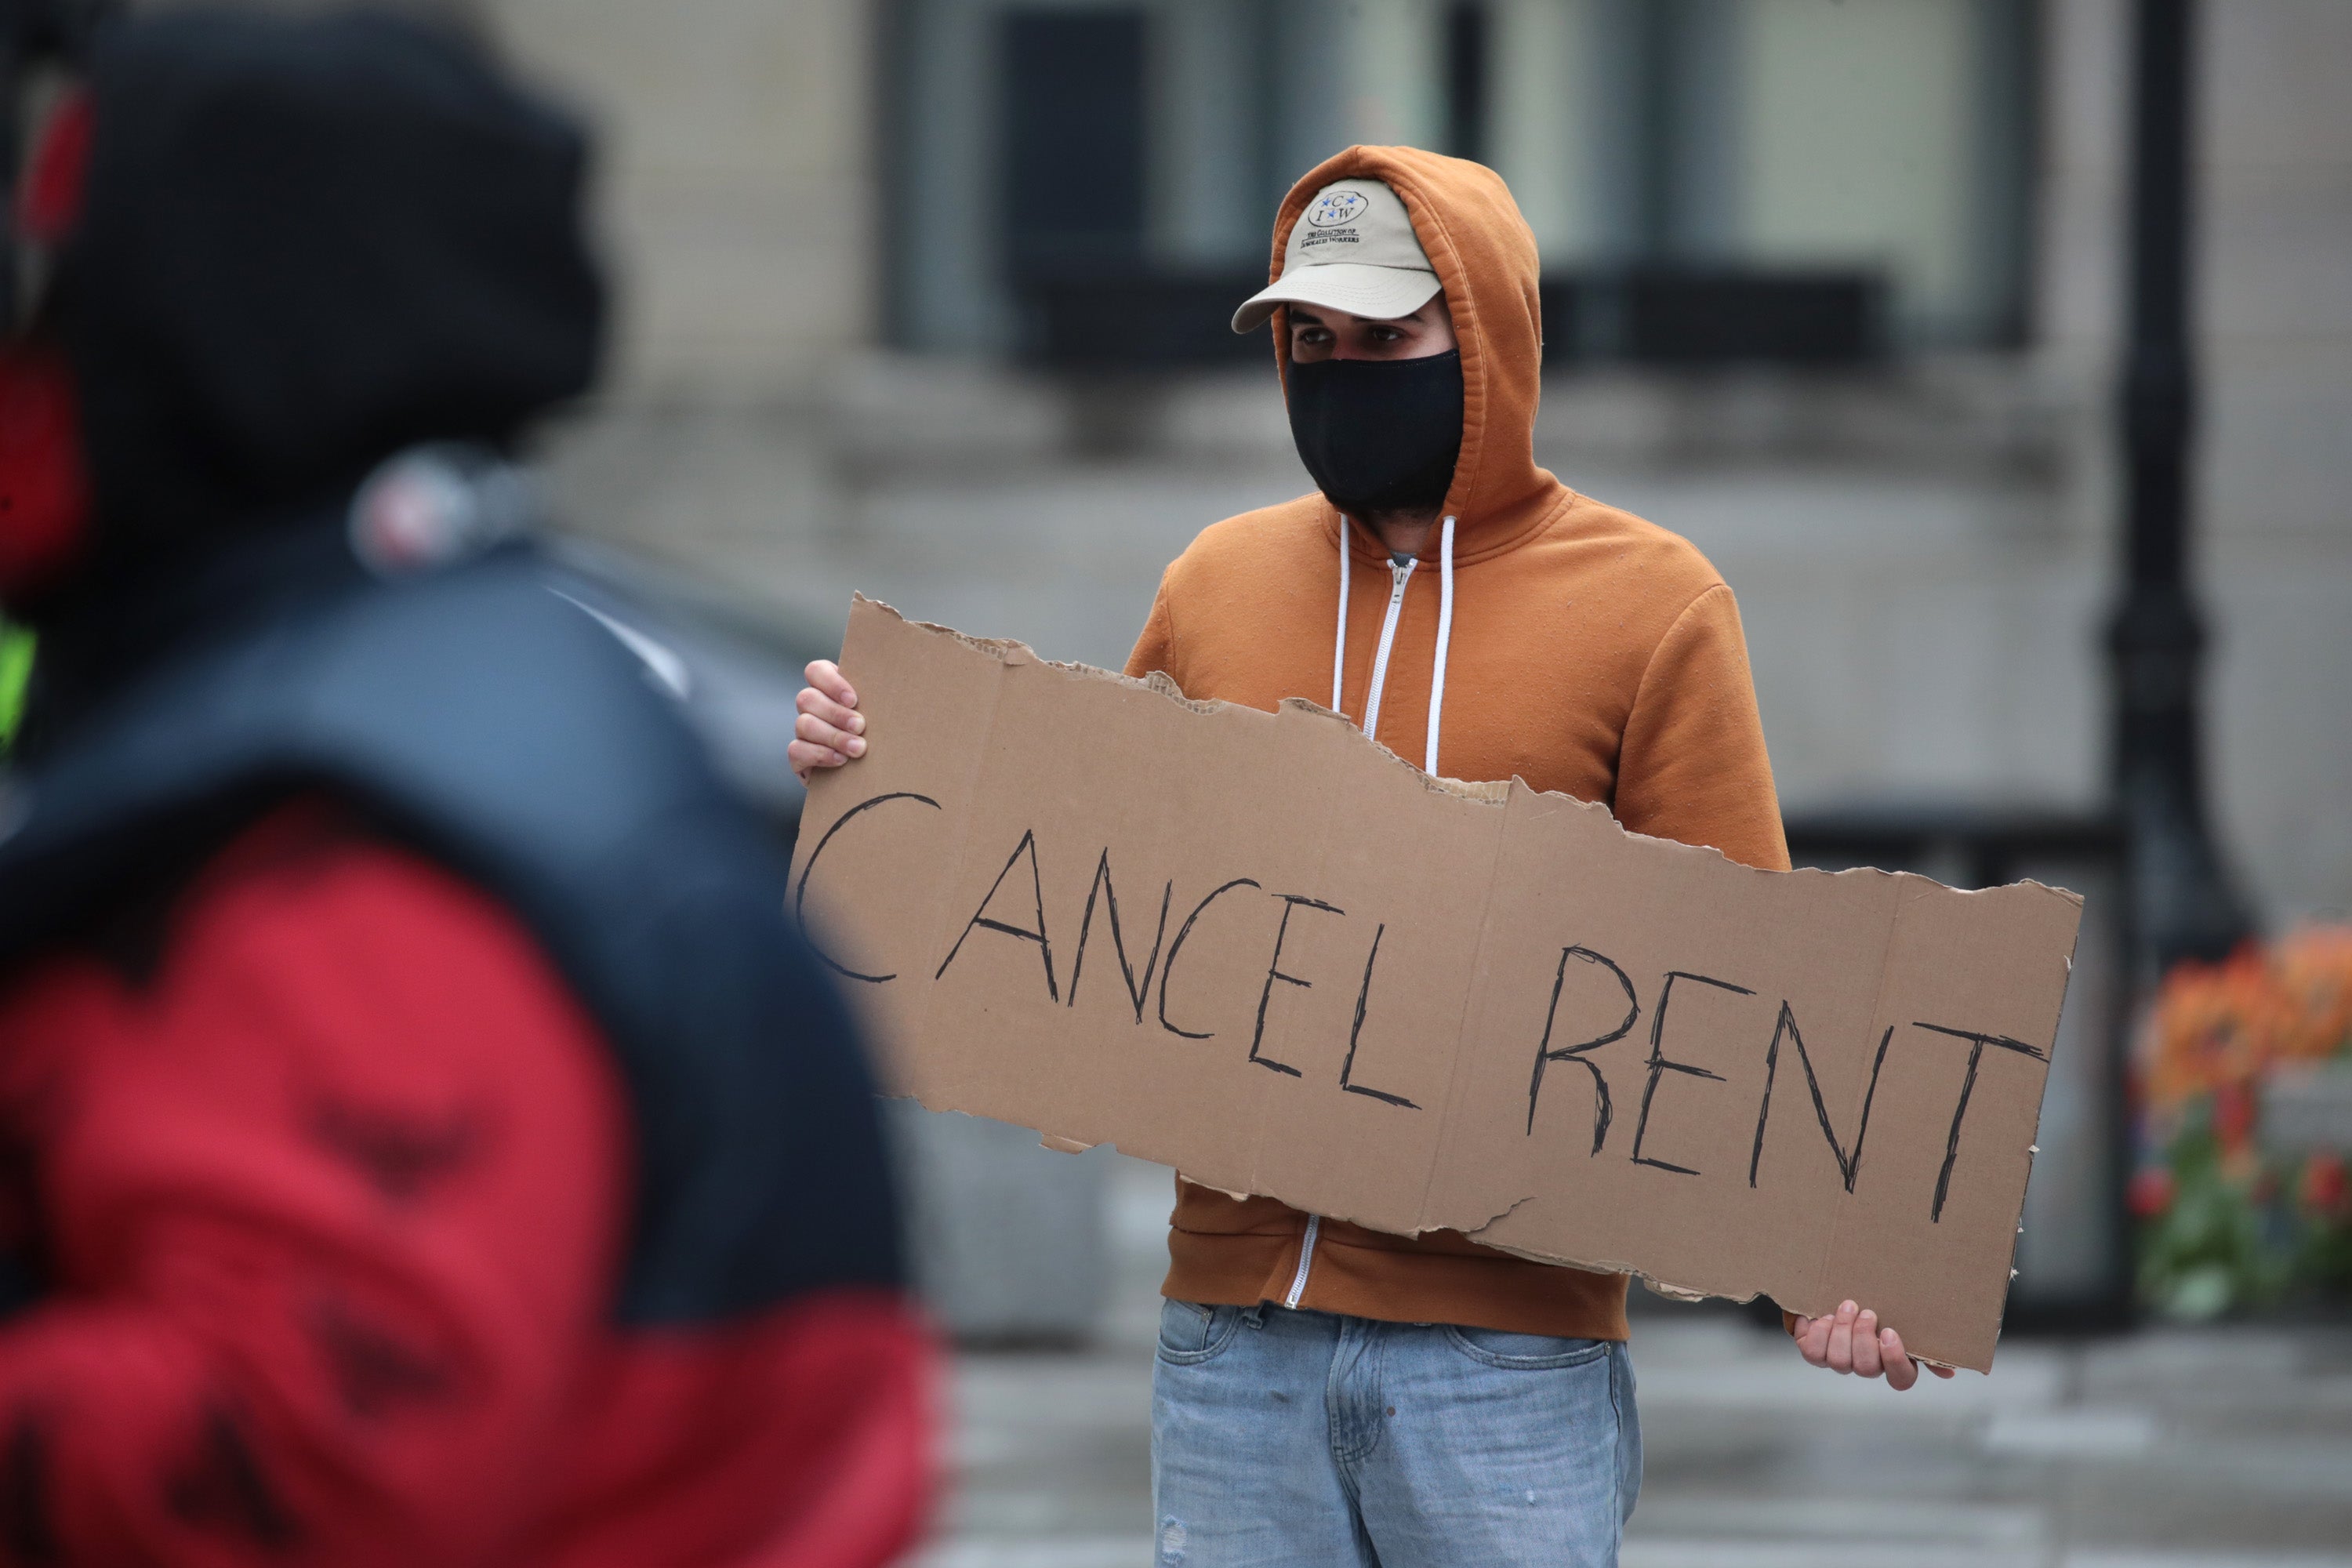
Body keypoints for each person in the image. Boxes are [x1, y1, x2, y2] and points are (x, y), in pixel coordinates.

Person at [796, 148, 1947, 1563]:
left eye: (1386, 335)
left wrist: (1840, 1250)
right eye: (1312, 338)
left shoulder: (1655, 606)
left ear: (1486, 334)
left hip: (1503, 1370)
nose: (1342, 368)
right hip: (1230, 1351)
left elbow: (1754, 985)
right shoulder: (1212, 584)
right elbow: (1101, 888)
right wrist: (882, 780)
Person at [0, 9, 931, 1564]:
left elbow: (315, 1461)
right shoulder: (405, 706)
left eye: (61, 290)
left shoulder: (363, 845)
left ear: (208, 334)